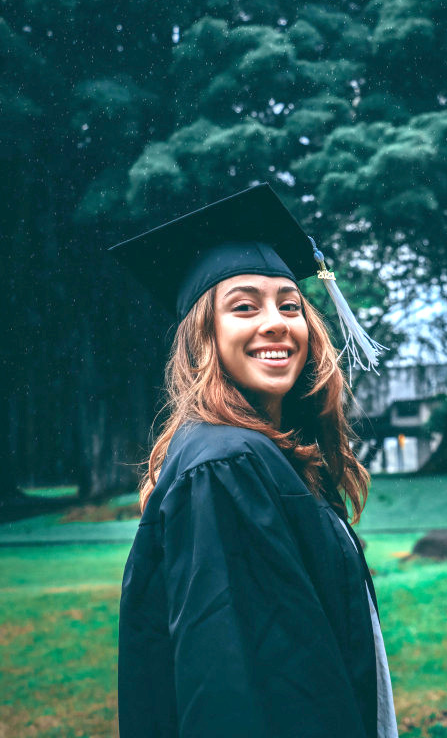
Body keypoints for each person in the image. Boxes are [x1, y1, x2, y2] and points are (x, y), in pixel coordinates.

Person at [110, 184, 398, 738]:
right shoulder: (226, 466)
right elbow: (239, 686)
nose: (275, 322)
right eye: (244, 306)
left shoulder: (263, 455)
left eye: (289, 305)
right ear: (204, 336)